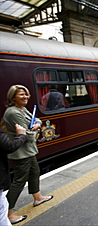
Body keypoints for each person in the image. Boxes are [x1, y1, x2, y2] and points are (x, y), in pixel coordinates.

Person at [2, 85, 53, 224]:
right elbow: (28, 136)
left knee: (34, 172)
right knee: (19, 181)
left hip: (29, 151)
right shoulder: (13, 112)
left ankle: (37, 197)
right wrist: (36, 129)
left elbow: (36, 120)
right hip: (21, 152)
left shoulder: (22, 109)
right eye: (21, 95)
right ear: (13, 97)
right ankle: (7, 213)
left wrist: (36, 125)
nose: (25, 97)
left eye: (26, 94)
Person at [0, 124, 26, 226]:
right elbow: (9, 145)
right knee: (2, 210)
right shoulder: (12, 112)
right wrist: (22, 135)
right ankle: (10, 213)